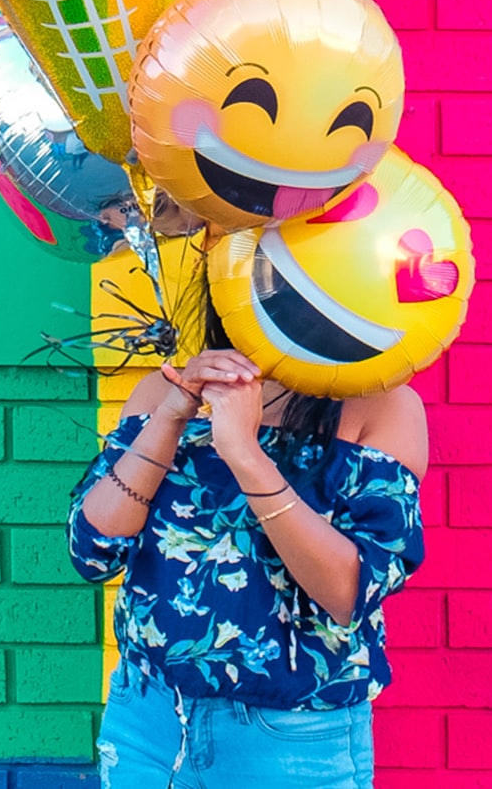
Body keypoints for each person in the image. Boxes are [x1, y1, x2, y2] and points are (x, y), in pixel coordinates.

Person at [65, 299, 428, 788]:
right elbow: (92, 552)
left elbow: (349, 594)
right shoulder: (164, 392)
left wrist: (243, 451)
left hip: (292, 736)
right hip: (148, 720)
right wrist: (172, 416)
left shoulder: (381, 405)